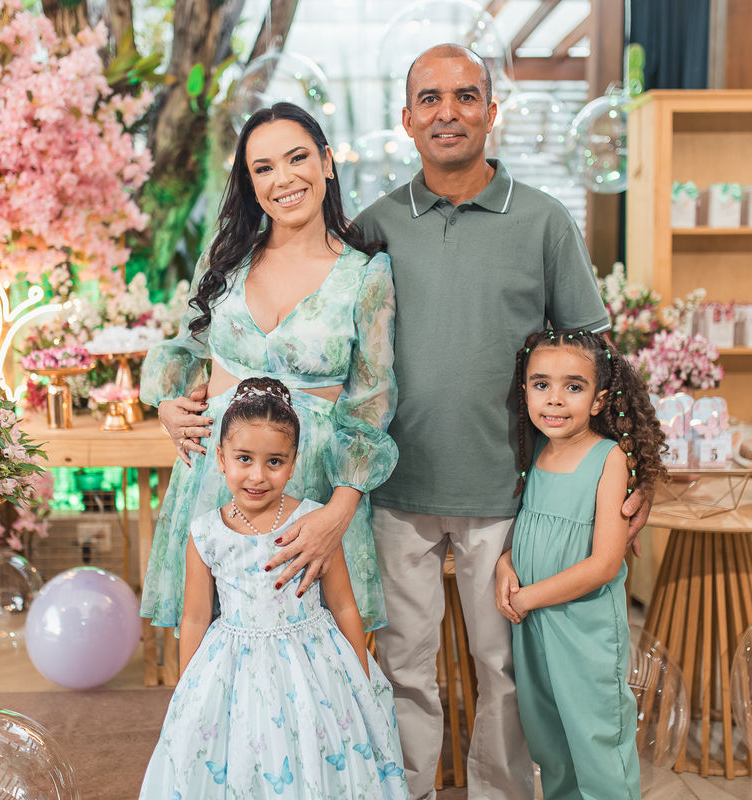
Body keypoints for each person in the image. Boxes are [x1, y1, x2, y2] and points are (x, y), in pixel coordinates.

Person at [348, 44, 653, 800]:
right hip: (395, 487)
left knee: (507, 669)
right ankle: (409, 789)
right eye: (429, 98)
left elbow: (598, 358)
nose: (447, 112)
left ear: (491, 111)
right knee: (403, 667)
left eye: (465, 96)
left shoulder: (544, 221)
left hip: (510, 492)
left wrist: (636, 471)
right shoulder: (373, 225)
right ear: (407, 118)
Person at [139, 103, 397, 633]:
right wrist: (167, 405)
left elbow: (371, 407)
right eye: (263, 167)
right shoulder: (224, 260)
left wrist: (339, 512)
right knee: (212, 639)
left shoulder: (365, 276)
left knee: (311, 646)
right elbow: (185, 350)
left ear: (326, 162)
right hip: (215, 474)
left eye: (297, 158)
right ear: (250, 182)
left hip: (312, 486)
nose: (283, 179)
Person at [137, 378, 408, 799]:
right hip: (234, 664)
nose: (258, 476)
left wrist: (360, 676)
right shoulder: (205, 533)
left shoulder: (314, 523)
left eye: (275, 461)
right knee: (246, 754)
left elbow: (343, 605)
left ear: (294, 462)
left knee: (311, 750)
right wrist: (188, 690)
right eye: (244, 459)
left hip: (312, 665)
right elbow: (194, 616)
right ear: (221, 458)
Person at [497, 329, 665, 800]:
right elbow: (535, 531)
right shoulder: (537, 452)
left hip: (583, 628)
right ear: (525, 391)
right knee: (550, 741)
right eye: (541, 384)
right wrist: (505, 563)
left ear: (598, 400)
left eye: (573, 386)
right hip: (535, 628)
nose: (554, 399)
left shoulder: (608, 458)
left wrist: (526, 598)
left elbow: (605, 564)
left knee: (596, 740)